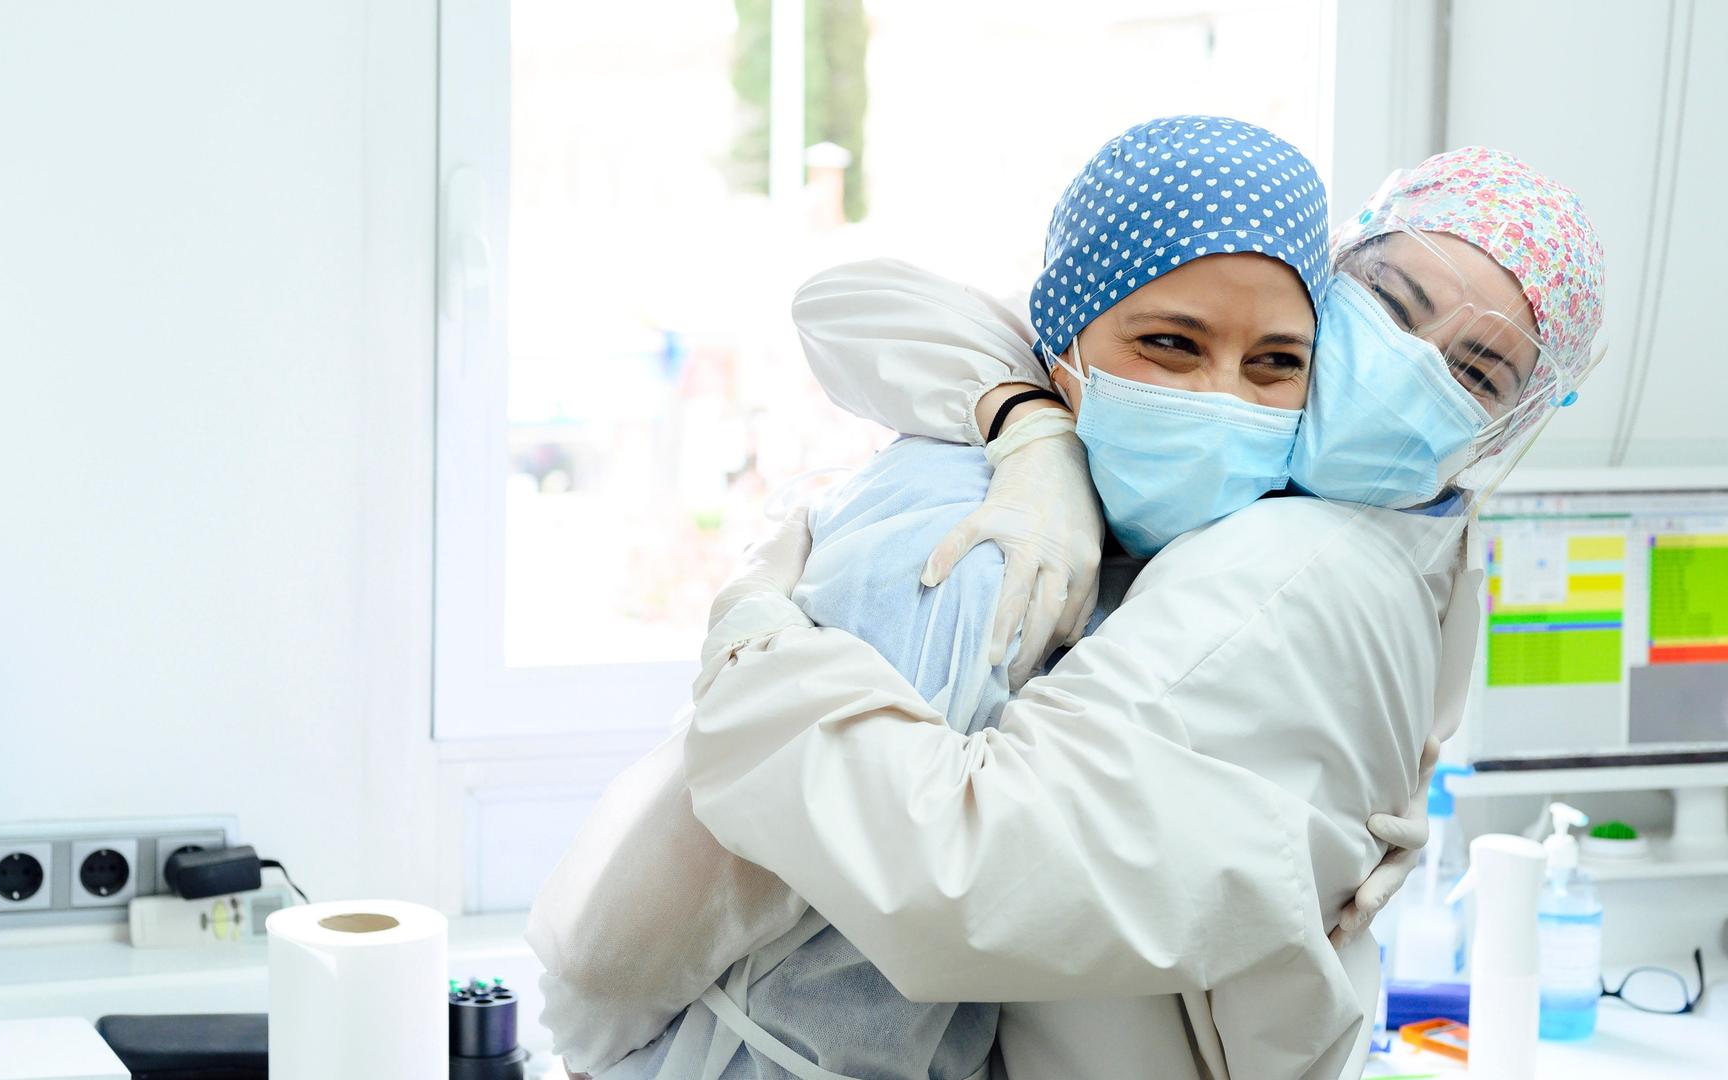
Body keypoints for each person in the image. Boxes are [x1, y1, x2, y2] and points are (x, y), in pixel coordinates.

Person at [679, 146, 1605, 1078]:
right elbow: (858, 304)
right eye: (1396, 308)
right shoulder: (1267, 447)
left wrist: (755, 641)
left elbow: (962, 878)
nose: (1406, 368)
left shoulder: (1283, 570)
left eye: (1473, 376)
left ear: (1507, 426)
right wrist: (1026, 420)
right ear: (1334, 271)